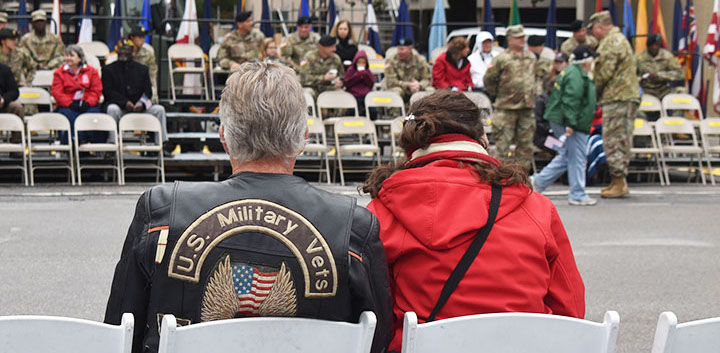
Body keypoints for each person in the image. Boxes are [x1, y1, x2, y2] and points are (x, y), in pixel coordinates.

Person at [104, 62, 392, 353]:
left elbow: (120, 330)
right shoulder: (352, 226)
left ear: (223, 137)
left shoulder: (161, 210)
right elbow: (377, 339)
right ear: (304, 139)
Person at [362, 90, 585, 352]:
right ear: (481, 139)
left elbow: (371, 316)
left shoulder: (381, 211)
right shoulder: (537, 208)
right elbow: (571, 311)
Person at [531, 45, 598, 206]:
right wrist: (571, 123)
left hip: (565, 119)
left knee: (567, 155)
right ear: (586, 61)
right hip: (573, 122)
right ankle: (577, 193)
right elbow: (571, 100)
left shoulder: (573, 73)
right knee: (577, 156)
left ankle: (538, 182)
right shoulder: (576, 75)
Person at [589, 11, 640, 198]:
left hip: (617, 97)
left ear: (599, 27)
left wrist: (591, 90)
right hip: (624, 96)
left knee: (614, 139)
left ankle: (619, 180)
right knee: (621, 138)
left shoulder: (611, 42)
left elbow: (603, 72)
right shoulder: (619, 39)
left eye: (593, 30)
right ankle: (618, 180)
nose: (593, 34)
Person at [484, 25, 538, 171]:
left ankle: (522, 178)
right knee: (503, 147)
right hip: (506, 108)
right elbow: (489, 80)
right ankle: (500, 179)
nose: (522, 40)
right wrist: (501, 94)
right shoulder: (502, 58)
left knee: (525, 147)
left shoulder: (531, 57)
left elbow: (536, 76)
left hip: (526, 108)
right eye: (518, 37)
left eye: (523, 37)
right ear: (510, 39)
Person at [102, 41, 169, 152]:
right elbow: (108, 92)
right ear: (117, 51)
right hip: (121, 108)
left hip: (139, 108)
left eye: (126, 49)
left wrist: (141, 104)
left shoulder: (142, 69)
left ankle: (161, 145)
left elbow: (148, 92)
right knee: (111, 109)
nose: (123, 52)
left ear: (132, 52)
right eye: (121, 49)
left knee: (159, 110)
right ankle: (112, 145)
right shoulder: (108, 69)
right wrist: (125, 103)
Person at [51, 45, 103, 143]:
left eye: (71, 56)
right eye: (66, 55)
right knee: (70, 116)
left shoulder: (92, 72)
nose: (68, 58)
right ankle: (73, 143)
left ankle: (93, 143)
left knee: (94, 116)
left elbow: (96, 90)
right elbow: (57, 92)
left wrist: (88, 103)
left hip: (87, 104)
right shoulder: (59, 73)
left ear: (80, 58)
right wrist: (70, 103)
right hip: (67, 105)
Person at [534, 52, 569, 154]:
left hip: (562, 135)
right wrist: (553, 130)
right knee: (564, 150)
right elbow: (539, 124)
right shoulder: (542, 100)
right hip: (544, 138)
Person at [636, 34, 684, 100]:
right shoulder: (638, 58)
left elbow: (680, 74)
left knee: (681, 92)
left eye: (656, 45)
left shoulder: (667, 56)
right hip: (645, 90)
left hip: (663, 90)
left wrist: (660, 76)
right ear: (648, 46)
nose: (654, 47)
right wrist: (641, 79)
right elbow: (630, 76)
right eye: (652, 45)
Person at [384, 37, 432, 102]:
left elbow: (427, 79)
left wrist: (419, 85)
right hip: (400, 88)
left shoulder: (420, 60)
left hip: (417, 89)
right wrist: (408, 85)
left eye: (402, 49)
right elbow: (390, 82)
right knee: (396, 92)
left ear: (410, 49)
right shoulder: (390, 60)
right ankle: (395, 112)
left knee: (430, 90)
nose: (399, 52)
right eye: (398, 48)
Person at [128, 25, 159, 103]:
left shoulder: (148, 51)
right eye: (139, 37)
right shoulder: (124, 50)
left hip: (142, 83)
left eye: (143, 37)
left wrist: (155, 94)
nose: (142, 40)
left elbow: (152, 74)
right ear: (132, 37)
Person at [344, 50, 375, 116]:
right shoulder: (351, 71)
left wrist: (365, 75)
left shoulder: (368, 72)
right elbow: (347, 83)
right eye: (359, 62)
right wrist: (357, 76)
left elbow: (371, 83)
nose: (361, 64)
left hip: (365, 95)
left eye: (363, 63)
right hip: (354, 95)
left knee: (372, 112)